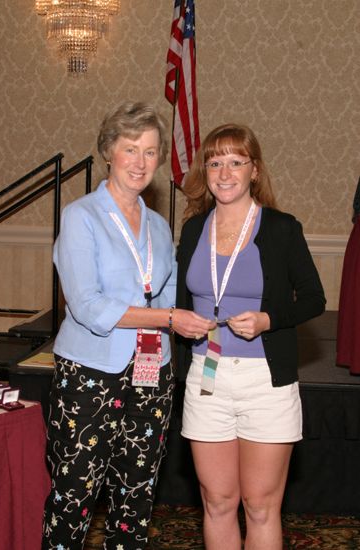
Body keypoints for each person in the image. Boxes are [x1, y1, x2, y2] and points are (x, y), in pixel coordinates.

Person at [42, 101, 213, 550]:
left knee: (136, 498)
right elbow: (88, 307)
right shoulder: (81, 216)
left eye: (151, 152)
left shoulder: (158, 226)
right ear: (108, 151)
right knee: (73, 497)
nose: (141, 162)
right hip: (89, 376)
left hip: (151, 375)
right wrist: (169, 319)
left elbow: (171, 294)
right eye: (130, 149)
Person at [175, 123, 326, 550]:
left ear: (254, 170)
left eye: (236, 162)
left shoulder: (281, 228)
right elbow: (180, 301)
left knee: (260, 507)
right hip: (206, 379)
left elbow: (314, 298)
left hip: (266, 383)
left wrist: (267, 319)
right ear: (205, 171)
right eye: (215, 162)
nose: (225, 173)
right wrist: (179, 320)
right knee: (218, 502)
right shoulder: (192, 231)